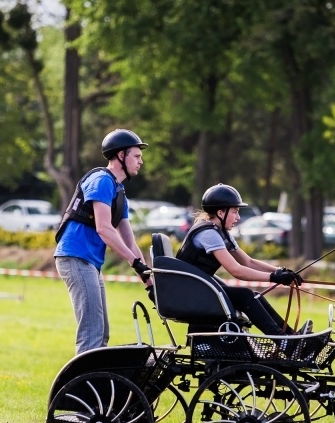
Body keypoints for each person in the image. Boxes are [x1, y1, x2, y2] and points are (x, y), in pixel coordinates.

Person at [54, 129, 152, 355]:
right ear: (120, 156)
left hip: (89, 262)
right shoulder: (101, 181)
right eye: (137, 156)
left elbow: (130, 243)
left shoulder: (119, 191)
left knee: (101, 332)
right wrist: (134, 262)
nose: (141, 161)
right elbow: (104, 229)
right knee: (92, 333)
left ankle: (97, 376)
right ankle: (85, 379)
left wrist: (149, 283)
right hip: (75, 257)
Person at [176, 183, 311, 337]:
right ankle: (284, 341)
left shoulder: (221, 233)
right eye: (235, 212)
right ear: (220, 213)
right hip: (190, 294)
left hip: (199, 290)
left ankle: (290, 336)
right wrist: (274, 277)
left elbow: (248, 262)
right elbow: (236, 270)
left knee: (255, 296)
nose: (238, 217)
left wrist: (281, 271)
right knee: (246, 295)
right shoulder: (209, 234)